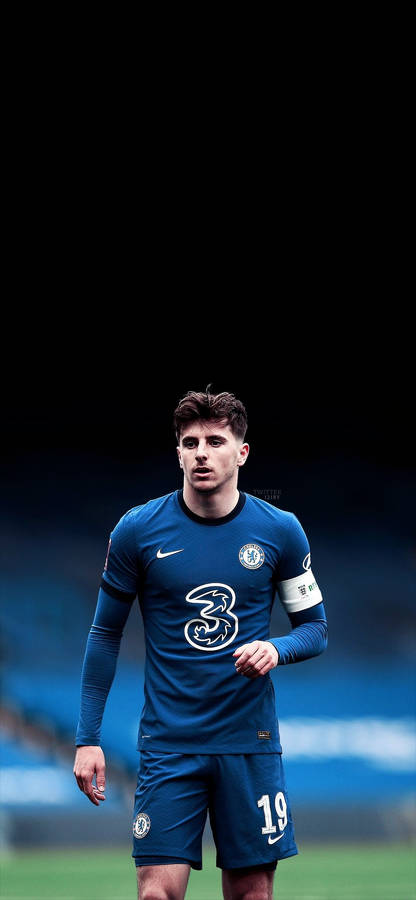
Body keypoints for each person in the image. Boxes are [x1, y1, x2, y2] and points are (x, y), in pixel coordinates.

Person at [74, 387, 327, 900]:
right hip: (169, 744)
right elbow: (104, 634)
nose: (201, 454)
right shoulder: (137, 530)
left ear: (242, 452)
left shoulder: (281, 530)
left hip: (248, 743)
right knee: (156, 894)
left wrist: (276, 649)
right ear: (178, 453)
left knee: (252, 894)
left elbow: (316, 629)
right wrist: (87, 737)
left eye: (215, 441)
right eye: (190, 443)